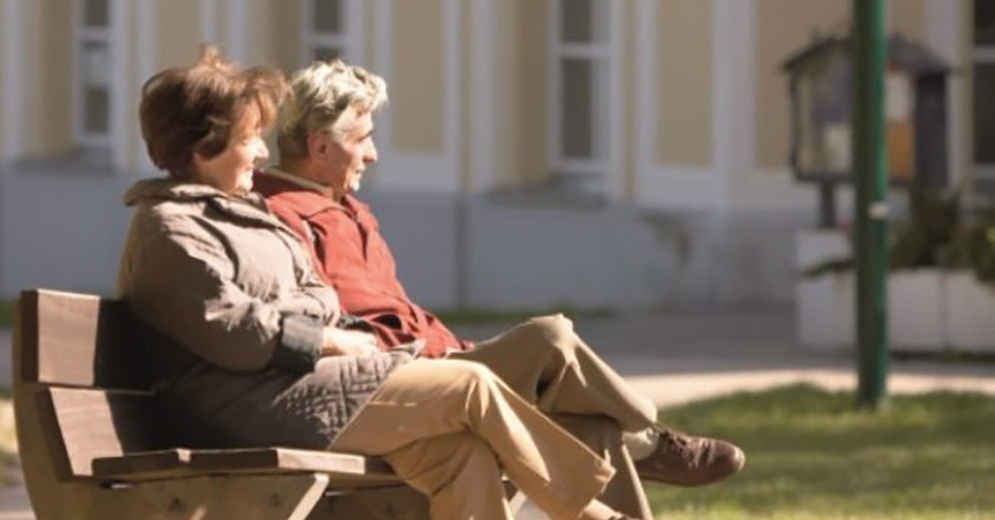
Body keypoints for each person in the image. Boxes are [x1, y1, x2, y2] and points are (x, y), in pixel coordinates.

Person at [118, 47, 647, 520]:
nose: (262, 152)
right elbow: (233, 330)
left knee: (460, 456)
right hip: (239, 410)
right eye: (250, 138)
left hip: (290, 390)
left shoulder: (246, 213)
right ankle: (589, 514)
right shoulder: (169, 228)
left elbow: (316, 290)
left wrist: (310, 318)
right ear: (204, 146)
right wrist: (325, 338)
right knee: (471, 387)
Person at [254, 59, 746, 505]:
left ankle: (636, 440)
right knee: (549, 337)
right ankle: (649, 439)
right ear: (319, 146)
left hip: (442, 361)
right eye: (361, 139)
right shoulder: (281, 218)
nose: (374, 154)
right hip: (404, 380)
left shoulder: (347, 209)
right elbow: (330, 323)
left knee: (592, 426)